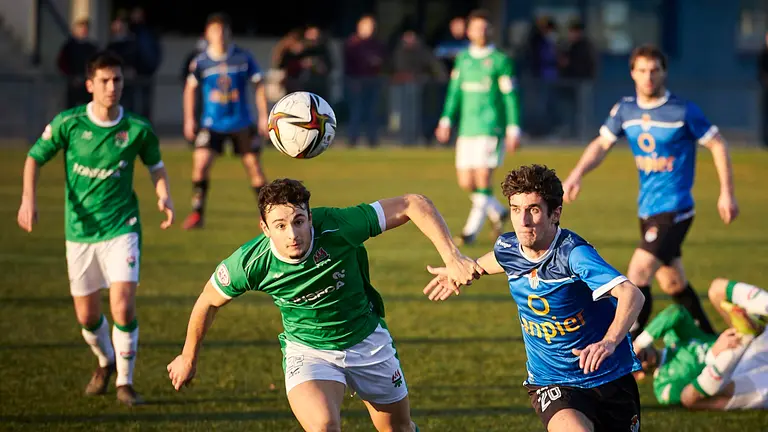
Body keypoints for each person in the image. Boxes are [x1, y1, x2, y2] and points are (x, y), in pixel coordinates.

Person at [166, 179, 483, 431]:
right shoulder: (250, 262)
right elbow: (208, 300)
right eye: (280, 225)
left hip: (368, 342)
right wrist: (187, 356)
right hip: (309, 351)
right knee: (323, 426)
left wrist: (452, 257)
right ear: (264, 229)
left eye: (299, 221)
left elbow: (413, 203)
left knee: (398, 428)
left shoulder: (338, 225)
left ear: (310, 217)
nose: (293, 234)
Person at [424, 165, 645, 432]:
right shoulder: (509, 248)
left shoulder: (573, 256)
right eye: (516, 209)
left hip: (610, 376)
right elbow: (490, 263)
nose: (523, 221)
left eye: (534, 210)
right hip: (551, 381)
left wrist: (608, 342)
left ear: (556, 214)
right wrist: (463, 271)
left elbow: (631, 293)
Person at [16, 51, 175, 406]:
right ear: (90, 85)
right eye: (104, 81)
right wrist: (29, 199)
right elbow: (34, 157)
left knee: (123, 307)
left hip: (123, 227)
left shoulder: (137, 128)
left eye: (117, 80)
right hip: (80, 232)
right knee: (88, 317)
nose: (112, 87)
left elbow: (156, 167)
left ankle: (125, 382)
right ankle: (105, 361)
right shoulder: (69, 123)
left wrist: (164, 197)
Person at [561, 44, 739, 338]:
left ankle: (625, 345)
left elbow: (718, 144)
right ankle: (710, 340)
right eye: (642, 70)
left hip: (676, 209)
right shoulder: (625, 110)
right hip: (647, 209)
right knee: (673, 282)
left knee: (638, 273)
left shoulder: (682, 110)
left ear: (664, 72)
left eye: (655, 70)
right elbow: (601, 144)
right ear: (632, 72)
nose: (648, 77)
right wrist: (576, 175)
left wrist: (727, 193)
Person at [434, 9, 521, 245]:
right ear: (469, 31)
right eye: (476, 28)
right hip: (467, 129)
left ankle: (470, 232)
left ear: (489, 31)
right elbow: (454, 93)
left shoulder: (500, 61)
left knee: (483, 179)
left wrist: (514, 128)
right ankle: (498, 212)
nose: (480, 32)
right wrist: (445, 120)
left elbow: (510, 97)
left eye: (485, 28)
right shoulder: (463, 59)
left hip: (491, 128)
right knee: (466, 182)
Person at [182, 13, 269, 229]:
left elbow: (258, 86)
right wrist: (189, 119)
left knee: (254, 167)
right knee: (200, 163)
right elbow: (189, 90)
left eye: (223, 31)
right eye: (215, 31)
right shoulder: (201, 61)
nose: (219, 35)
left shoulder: (243, 57)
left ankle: (269, 213)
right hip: (212, 124)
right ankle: (197, 214)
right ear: (207, 34)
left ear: (229, 33)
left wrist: (263, 116)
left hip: (241, 122)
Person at [632, 278, 768, 410]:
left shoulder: (673, 337)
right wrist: (714, 354)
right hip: (738, 373)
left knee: (716, 289)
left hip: (746, 341)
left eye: (631, 349)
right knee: (688, 398)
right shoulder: (663, 386)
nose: (635, 354)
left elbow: (676, 312)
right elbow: (691, 395)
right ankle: (744, 339)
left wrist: (640, 342)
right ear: (638, 375)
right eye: (631, 359)